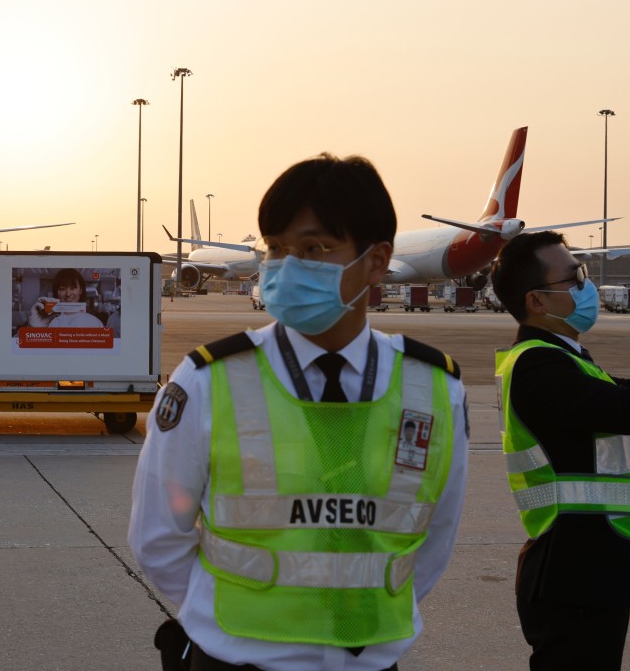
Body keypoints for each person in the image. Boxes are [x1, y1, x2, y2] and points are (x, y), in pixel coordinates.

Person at [129, 153, 468, 671]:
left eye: (313, 249)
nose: (285, 267)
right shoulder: (206, 380)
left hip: (368, 660)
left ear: (377, 261)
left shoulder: (433, 389)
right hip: (237, 657)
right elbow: (157, 536)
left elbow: (434, 538)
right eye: (275, 249)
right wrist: (227, 622)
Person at [491, 230, 630, 670]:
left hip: (587, 572)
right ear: (538, 301)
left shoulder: (569, 359)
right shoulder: (537, 365)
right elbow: (620, 407)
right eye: (575, 277)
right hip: (571, 577)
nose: (586, 286)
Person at [27, 268, 103, 328]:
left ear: (80, 291)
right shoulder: (46, 321)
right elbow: (18, 345)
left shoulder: (95, 323)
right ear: (57, 292)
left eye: (72, 288)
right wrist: (32, 329)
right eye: (62, 289)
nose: (68, 294)